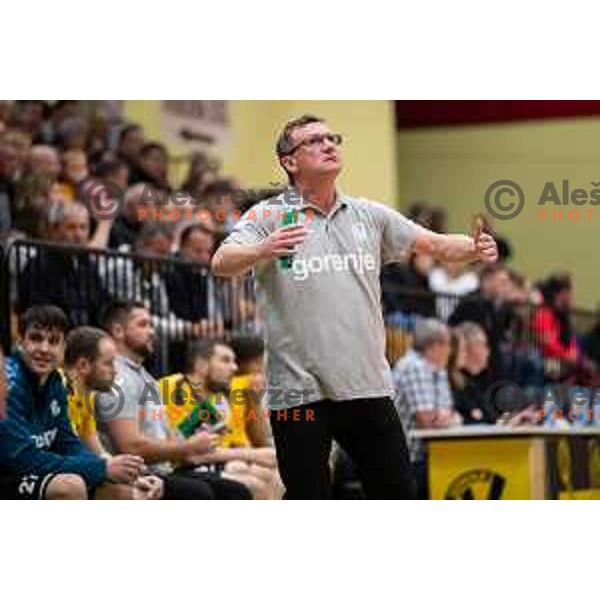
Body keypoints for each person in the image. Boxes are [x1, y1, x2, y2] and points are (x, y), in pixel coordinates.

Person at [211, 114, 498, 499]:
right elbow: (221, 261)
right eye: (314, 141)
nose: (329, 144)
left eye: (332, 138)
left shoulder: (370, 214)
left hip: (367, 384)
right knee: (310, 499)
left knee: (397, 494)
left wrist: (475, 248)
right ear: (290, 161)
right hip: (298, 391)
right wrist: (263, 249)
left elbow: (437, 244)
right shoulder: (268, 216)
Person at [96, 300, 251, 500]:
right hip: (139, 474)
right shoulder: (118, 377)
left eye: (151, 324)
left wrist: (191, 441)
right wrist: (188, 446)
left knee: (237, 489)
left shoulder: (145, 376)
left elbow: (169, 437)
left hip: (167, 468)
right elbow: (131, 447)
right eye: (143, 325)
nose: (152, 331)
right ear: (118, 330)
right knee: (205, 493)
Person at [0, 306, 145, 500]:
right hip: (10, 471)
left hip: (32, 468)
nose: (44, 348)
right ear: (20, 341)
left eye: (53, 341)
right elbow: (22, 458)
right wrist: (101, 467)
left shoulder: (55, 383)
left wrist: (124, 473)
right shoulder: (8, 383)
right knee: (70, 486)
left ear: (63, 348)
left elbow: (68, 443)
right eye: (35, 338)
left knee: (122, 492)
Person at [159, 339, 282, 499]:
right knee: (252, 480)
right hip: (172, 468)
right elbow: (189, 454)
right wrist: (253, 455)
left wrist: (253, 453)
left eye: (234, 361)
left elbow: (216, 448)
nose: (234, 367)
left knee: (269, 474)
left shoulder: (216, 398)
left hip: (204, 464)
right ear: (202, 365)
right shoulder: (173, 388)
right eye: (225, 360)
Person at [64, 326, 163, 499]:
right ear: (83, 365)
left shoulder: (87, 397)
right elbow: (65, 455)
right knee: (125, 494)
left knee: (139, 490)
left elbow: (98, 452)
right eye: (108, 363)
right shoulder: (60, 393)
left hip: (75, 474)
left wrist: (135, 478)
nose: (115, 371)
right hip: (53, 477)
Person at [393, 319, 461, 498]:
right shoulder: (414, 366)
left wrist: (445, 417)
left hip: (427, 456)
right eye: (448, 345)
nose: (451, 351)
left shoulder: (437, 369)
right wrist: (445, 417)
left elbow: (452, 416)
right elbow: (428, 422)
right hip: (408, 460)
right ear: (435, 346)